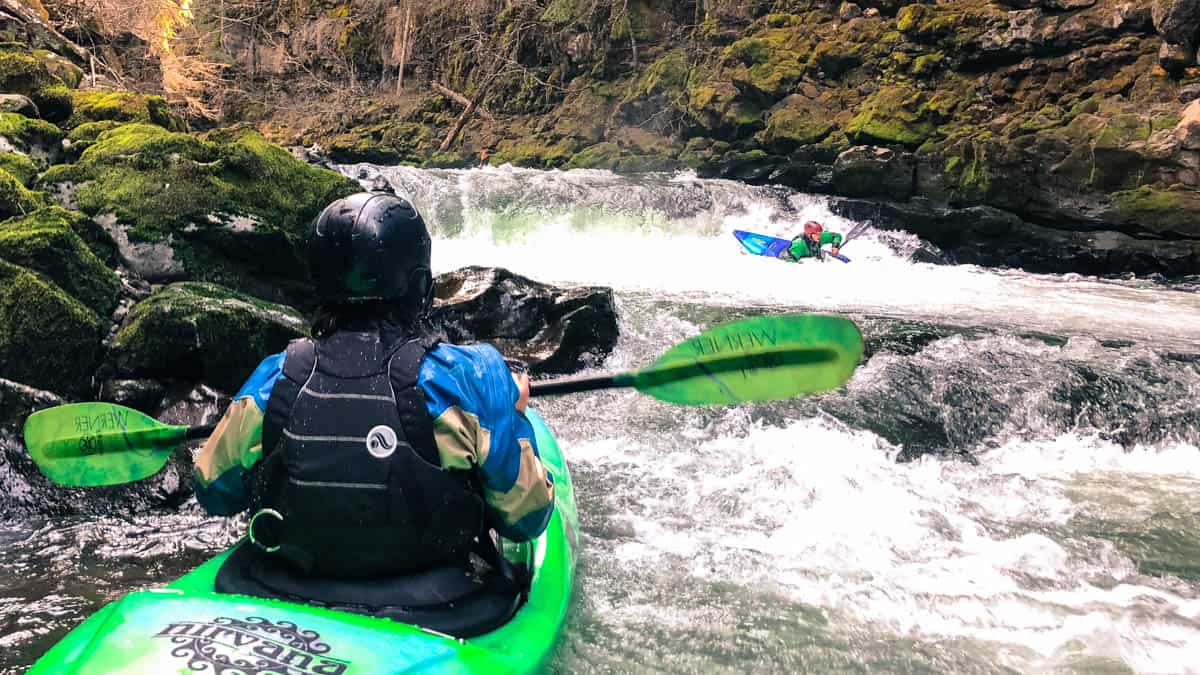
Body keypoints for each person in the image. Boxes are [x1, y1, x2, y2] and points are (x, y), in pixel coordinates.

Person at [192, 192, 555, 635]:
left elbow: (214, 492)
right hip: (435, 602)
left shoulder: (276, 377)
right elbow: (526, 517)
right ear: (419, 284)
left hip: (282, 585)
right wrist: (513, 416)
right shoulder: (472, 376)